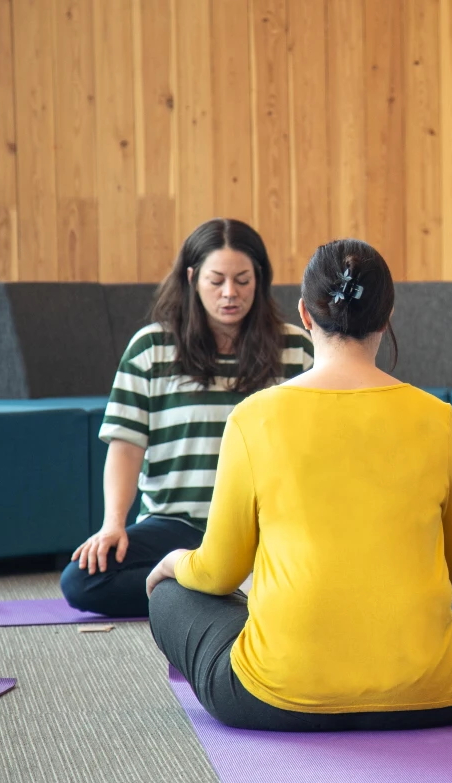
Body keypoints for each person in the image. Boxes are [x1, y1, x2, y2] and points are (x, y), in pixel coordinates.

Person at [143, 238, 452, 732]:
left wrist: (174, 562)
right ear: (388, 314)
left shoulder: (255, 417)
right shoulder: (437, 417)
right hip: (440, 696)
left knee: (170, 594)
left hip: (275, 697)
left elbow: (218, 576)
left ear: (305, 314)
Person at [61, 219, 314, 617]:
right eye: (217, 281)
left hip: (264, 526)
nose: (230, 293)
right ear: (193, 277)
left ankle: (197, 588)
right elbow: (126, 448)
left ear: (259, 279)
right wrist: (113, 524)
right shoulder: (150, 348)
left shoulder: (296, 347)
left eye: (243, 280)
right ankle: (217, 585)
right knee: (83, 580)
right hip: (175, 526)